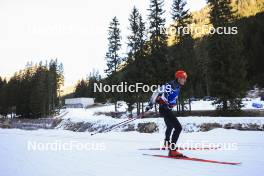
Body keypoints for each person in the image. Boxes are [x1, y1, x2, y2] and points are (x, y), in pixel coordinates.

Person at [145, 70, 187, 157]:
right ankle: (172, 150)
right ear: (178, 78)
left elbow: (171, 96)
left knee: (170, 126)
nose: (185, 80)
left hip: (167, 109)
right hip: (164, 109)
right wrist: (150, 105)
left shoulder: (178, 86)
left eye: (185, 78)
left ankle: (167, 143)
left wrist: (173, 102)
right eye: (183, 78)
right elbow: (156, 92)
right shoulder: (170, 85)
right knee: (178, 128)